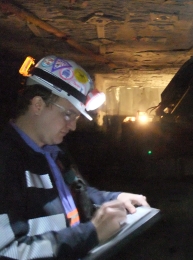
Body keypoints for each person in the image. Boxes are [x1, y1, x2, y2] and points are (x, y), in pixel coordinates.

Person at [0, 55, 149, 260]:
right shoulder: (6, 161)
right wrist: (92, 234)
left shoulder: (54, 153)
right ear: (37, 105)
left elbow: (78, 192)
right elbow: (8, 251)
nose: (73, 126)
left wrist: (114, 198)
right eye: (68, 114)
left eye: (76, 117)